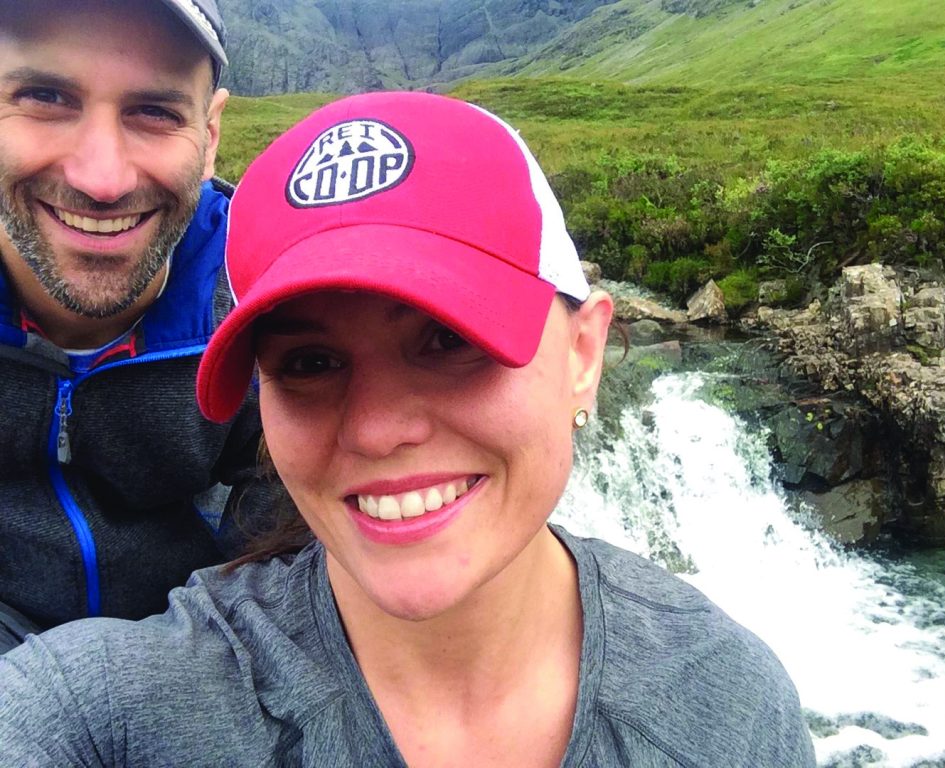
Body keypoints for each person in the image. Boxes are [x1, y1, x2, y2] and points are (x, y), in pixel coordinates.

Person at [0, 91, 815, 766]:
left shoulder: (731, 705)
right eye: (311, 364)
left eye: (447, 339)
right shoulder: (116, 713)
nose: (381, 430)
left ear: (583, 352)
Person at [0, 0, 278, 653]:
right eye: (45, 96)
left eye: (154, 112)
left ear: (209, 137)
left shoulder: (265, 303)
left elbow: (295, 536)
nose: (101, 179)